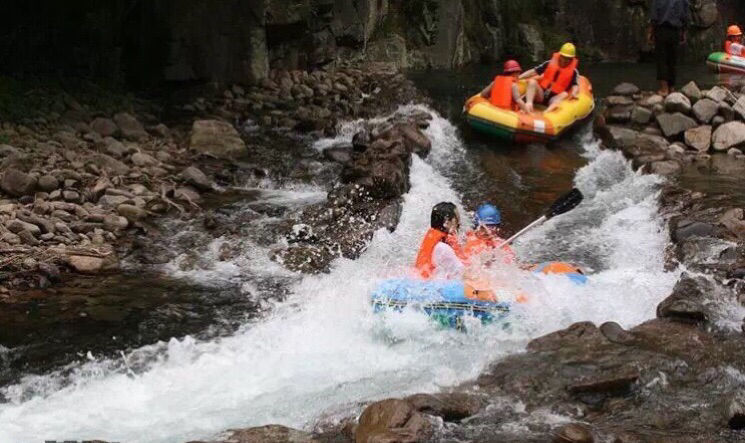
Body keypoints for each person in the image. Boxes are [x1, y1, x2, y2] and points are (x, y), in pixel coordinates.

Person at [519, 43, 580, 113]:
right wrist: (519, 77)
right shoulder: (549, 63)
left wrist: (574, 93)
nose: (565, 60)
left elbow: (575, 85)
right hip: (541, 94)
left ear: (572, 59)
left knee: (564, 94)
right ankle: (529, 104)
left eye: (568, 58)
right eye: (564, 57)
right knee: (532, 82)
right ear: (560, 55)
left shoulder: (574, 72)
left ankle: (546, 113)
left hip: (554, 98)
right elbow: (534, 71)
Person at [648, 0, 690, 96]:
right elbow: (685, 15)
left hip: (661, 29)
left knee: (662, 59)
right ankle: (672, 88)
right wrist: (684, 32)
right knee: (673, 59)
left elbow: (654, 15)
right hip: (675, 31)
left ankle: (664, 88)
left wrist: (650, 32)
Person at [415, 202, 466, 280]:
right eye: (457, 218)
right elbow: (464, 275)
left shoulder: (436, 243)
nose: (459, 223)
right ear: (447, 222)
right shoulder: (443, 248)